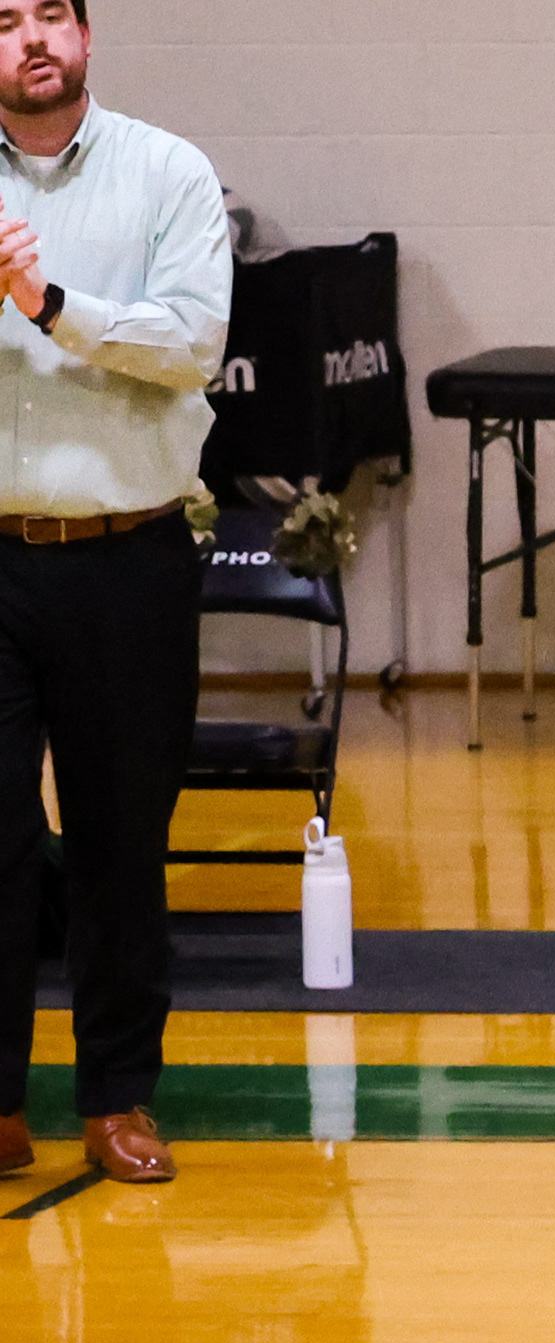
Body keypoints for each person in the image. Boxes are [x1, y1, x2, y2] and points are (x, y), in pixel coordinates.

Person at [0, 0, 222, 1190]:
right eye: (3, 19)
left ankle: (117, 1098)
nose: (31, 38)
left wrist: (50, 308)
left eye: (51, 15)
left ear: (86, 36)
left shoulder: (167, 173)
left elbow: (191, 343)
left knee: (119, 841)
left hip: (125, 554)